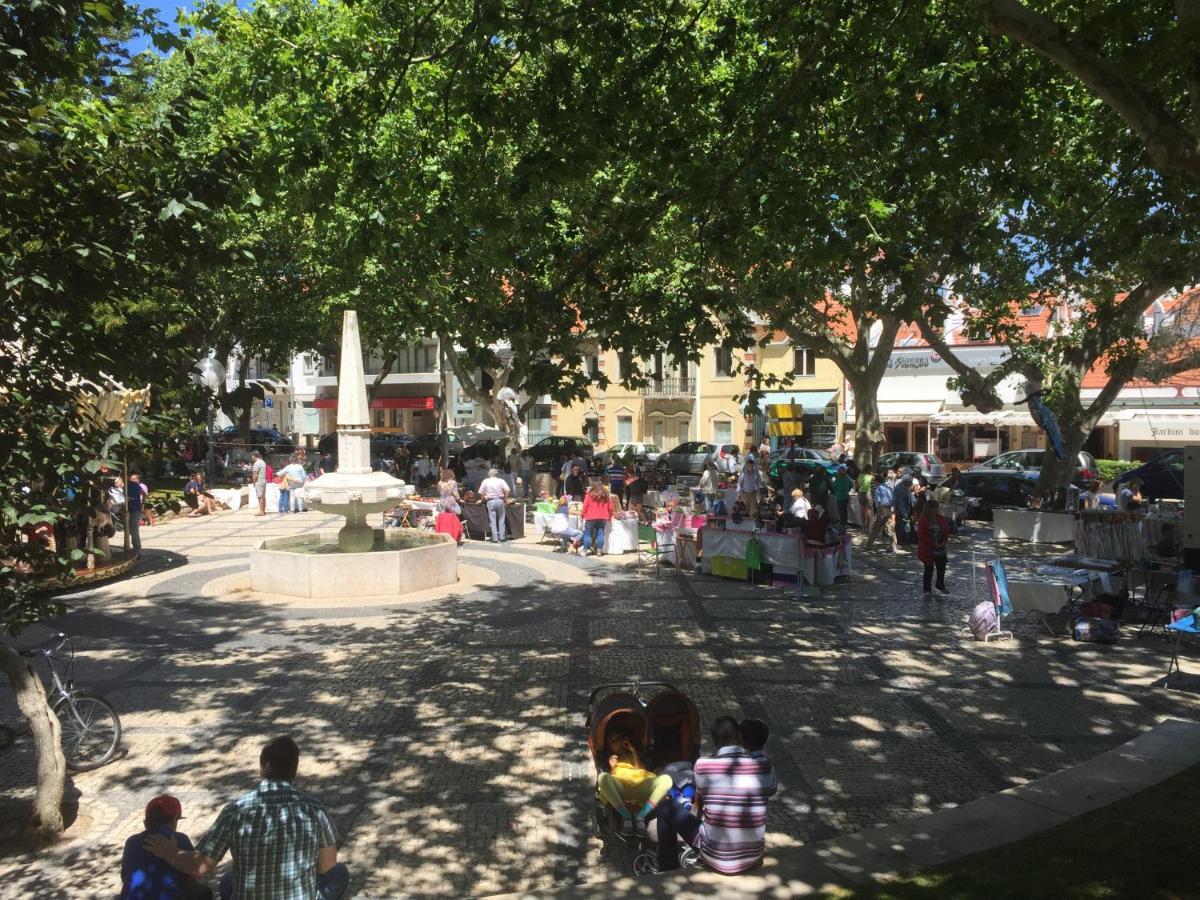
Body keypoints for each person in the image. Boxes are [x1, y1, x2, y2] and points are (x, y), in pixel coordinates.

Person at [143, 736, 348, 900]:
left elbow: (199, 867)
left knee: (228, 881)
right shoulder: (314, 809)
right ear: (293, 770)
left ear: (264, 768)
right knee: (340, 872)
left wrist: (170, 852)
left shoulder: (236, 811)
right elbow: (327, 866)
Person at [652, 715, 778, 874]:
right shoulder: (763, 766)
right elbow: (771, 789)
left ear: (714, 740)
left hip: (714, 856)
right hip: (752, 855)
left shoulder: (703, 765)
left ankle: (668, 871)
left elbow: (700, 797)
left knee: (665, 807)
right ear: (739, 736)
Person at [121, 794, 211, 900]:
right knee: (204, 892)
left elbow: (125, 876)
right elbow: (192, 874)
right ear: (174, 820)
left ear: (145, 822)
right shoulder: (180, 839)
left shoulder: (131, 842)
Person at [597, 729, 674, 839]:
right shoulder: (610, 759)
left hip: (642, 784)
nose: (618, 743)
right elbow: (609, 782)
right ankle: (626, 816)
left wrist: (633, 751)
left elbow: (641, 769)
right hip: (622, 787)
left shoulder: (634, 754)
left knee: (667, 779)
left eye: (620, 739)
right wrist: (612, 767)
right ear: (609, 747)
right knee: (602, 777)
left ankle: (641, 816)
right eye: (614, 742)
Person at [917, 499, 951, 600]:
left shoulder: (940, 518)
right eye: (936, 508)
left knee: (941, 568)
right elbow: (921, 535)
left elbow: (946, 531)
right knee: (928, 569)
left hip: (940, 547)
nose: (937, 510)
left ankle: (940, 585)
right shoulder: (923, 520)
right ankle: (927, 590)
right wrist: (933, 543)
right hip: (928, 549)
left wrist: (944, 541)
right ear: (930, 509)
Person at [865, 470, 898, 552]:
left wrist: (879, 513)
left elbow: (878, 502)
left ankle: (868, 546)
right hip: (889, 509)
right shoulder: (889, 488)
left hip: (882, 510)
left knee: (875, 528)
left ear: (876, 481)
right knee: (891, 529)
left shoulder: (878, 489)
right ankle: (893, 546)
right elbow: (893, 500)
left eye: (874, 481)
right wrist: (892, 511)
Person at [478, 468, 512, 543]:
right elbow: (508, 490)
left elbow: (481, 492)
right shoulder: (501, 481)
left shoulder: (486, 481)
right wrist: (506, 499)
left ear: (489, 474)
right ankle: (502, 537)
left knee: (492, 520)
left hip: (490, 501)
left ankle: (495, 538)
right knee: (501, 519)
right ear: (496, 474)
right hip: (500, 500)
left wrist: (482, 500)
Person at [581, 482, 613, 556]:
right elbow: (611, 508)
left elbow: (585, 506)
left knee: (588, 534)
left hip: (590, 517)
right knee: (601, 534)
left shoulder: (589, 495)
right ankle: (599, 551)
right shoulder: (606, 496)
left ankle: (584, 551)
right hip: (602, 518)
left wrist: (582, 515)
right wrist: (610, 517)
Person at [126, 472, 144, 556]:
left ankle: (137, 551)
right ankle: (135, 550)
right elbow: (143, 494)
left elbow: (143, 494)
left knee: (134, 532)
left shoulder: (133, 485)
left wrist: (142, 503)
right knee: (132, 531)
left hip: (134, 510)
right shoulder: (135, 485)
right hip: (129, 510)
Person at [831, 465, 854, 531]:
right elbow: (851, 485)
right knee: (844, 510)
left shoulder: (838, 479)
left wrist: (836, 491)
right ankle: (844, 523)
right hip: (846, 496)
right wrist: (848, 490)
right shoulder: (847, 478)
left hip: (840, 496)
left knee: (841, 510)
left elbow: (833, 486)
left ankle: (842, 523)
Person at [856, 466, 875, 532]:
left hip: (860, 493)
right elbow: (873, 487)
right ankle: (868, 527)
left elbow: (857, 485)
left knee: (862, 510)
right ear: (870, 470)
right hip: (868, 493)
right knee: (868, 511)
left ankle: (863, 526)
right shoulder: (872, 477)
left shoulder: (860, 476)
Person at [249, 451, 267, 517]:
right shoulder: (263, 462)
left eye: (252, 456)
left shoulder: (256, 463)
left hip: (259, 482)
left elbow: (255, 474)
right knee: (263, 496)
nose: (251, 457)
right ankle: (263, 510)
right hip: (263, 481)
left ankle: (261, 511)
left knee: (260, 497)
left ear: (254, 456)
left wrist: (253, 482)